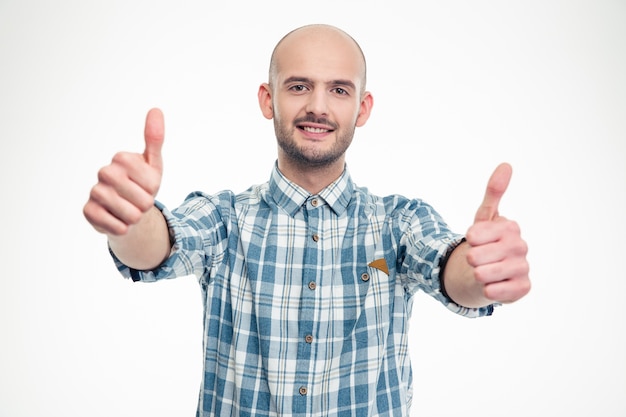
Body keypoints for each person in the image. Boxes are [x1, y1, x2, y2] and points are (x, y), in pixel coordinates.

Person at [84, 24, 530, 416]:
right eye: (298, 86)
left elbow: (452, 271)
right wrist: (131, 217)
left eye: (339, 90)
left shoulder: (400, 223)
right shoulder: (223, 218)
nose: (318, 106)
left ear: (362, 108)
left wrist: (480, 267)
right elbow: (154, 248)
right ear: (267, 99)